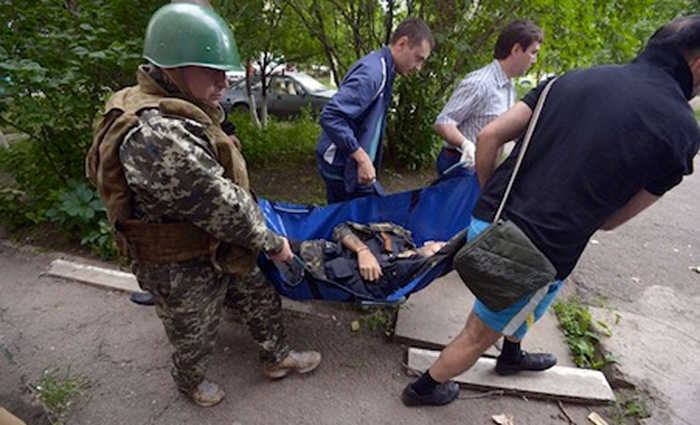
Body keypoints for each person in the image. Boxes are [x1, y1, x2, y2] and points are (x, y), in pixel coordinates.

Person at [401, 15, 700, 406]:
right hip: (536, 253)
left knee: (541, 294)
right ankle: (425, 387)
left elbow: (489, 137)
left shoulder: (569, 79)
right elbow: (610, 222)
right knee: (478, 332)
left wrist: (492, 196)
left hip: (489, 221)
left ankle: (511, 354)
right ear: (696, 64)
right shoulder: (682, 132)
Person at [86, 3, 321, 407]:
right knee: (193, 331)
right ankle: (189, 382)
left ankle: (276, 357)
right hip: (177, 258)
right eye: (210, 71)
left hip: (214, 240)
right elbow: (223, 205)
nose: (223, 81)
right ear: (171, 67)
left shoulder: (182, 107)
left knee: (258, 293)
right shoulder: (156, 133)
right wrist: (273, 242)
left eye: (224, 71)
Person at [315, 18, 434, 204]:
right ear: (402, 43)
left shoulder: (387, 69)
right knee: (348, 222)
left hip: (352, 166)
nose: (419, 67)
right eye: (419, 59)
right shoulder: (373, 73)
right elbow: (331, 116)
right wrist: (362, 159)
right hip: (341, 165)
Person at [434, 19, 543, 178]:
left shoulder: (509, 84)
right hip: (460, 166)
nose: (534, 60)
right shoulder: (479, 83)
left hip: (482, 170)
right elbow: (443, 122)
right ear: (516, 49)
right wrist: (466, 144)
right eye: (533, 53)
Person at [278, 221, 448, 300]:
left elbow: (440, 261)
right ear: (429, 242)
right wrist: (362, 251)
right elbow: (340, 229)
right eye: (440, 247)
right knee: (263, 243)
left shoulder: (414, 274)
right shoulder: (396, 233)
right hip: (310, 254)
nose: (439, 252)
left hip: (321, 284)